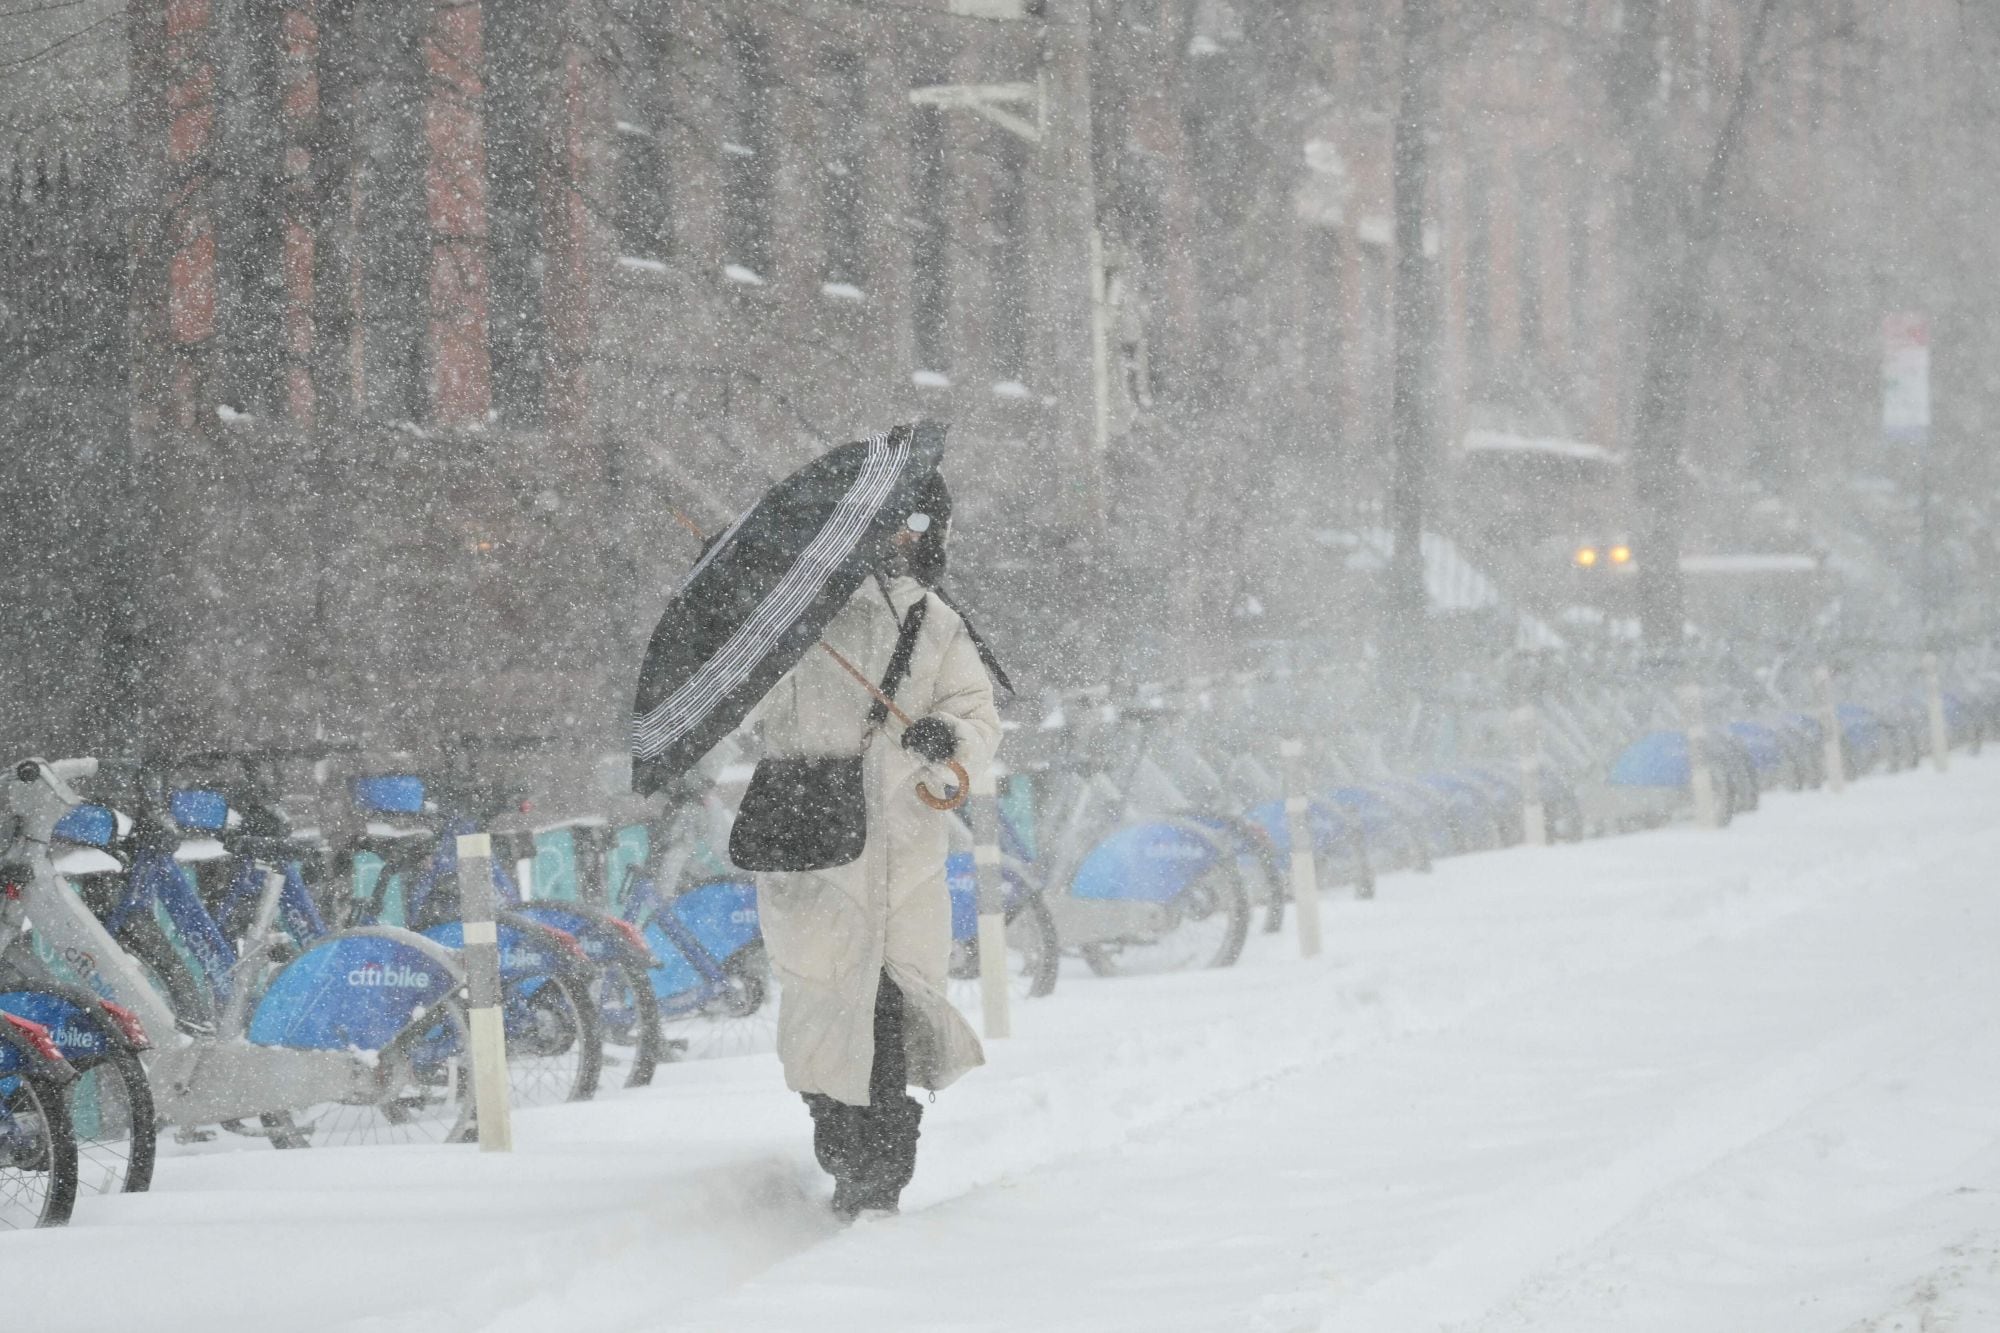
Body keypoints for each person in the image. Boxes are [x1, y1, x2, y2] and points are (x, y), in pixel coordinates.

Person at [751, 470, 1001, 1221]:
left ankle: (880, 1176)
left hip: (903, 859)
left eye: (919, 526)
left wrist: (945, 739)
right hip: (813, 848)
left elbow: (976, 720)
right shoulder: (788, 615)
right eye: (897, 522)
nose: (905, 539)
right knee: (823, 1006)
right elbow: (755, 716)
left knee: (888, 1010)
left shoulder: (935, 623)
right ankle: (843, 1148)